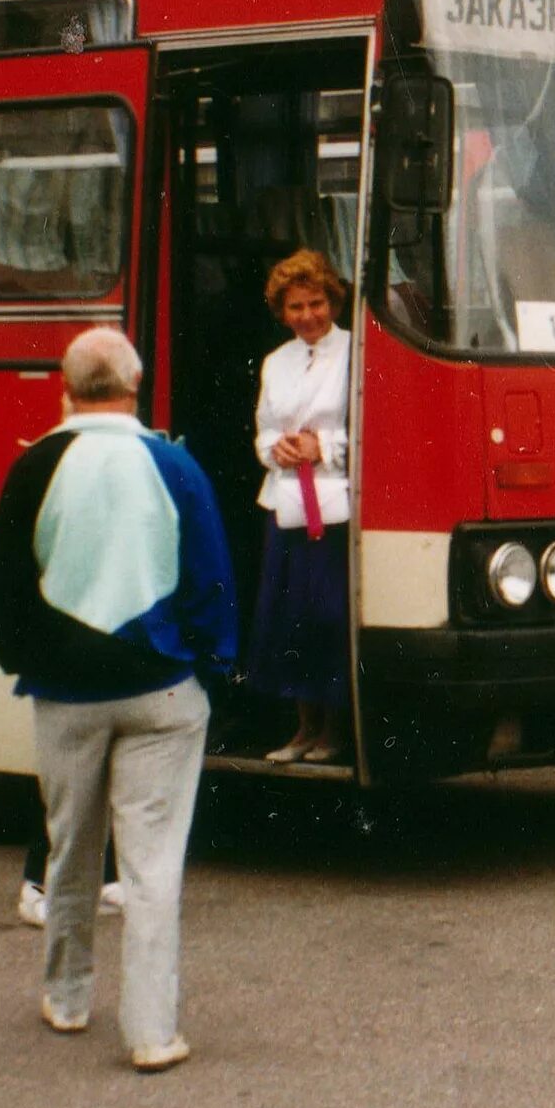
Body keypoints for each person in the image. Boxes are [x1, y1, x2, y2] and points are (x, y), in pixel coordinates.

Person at [0, 327, 237, 1073]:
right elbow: (210, 579)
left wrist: (28, 660)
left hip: (64, 693)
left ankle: (66, 996)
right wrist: (207, 665)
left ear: (66, 387)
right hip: (161, 687)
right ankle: (152, 1031)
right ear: (137, 382)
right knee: (152, 866)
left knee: (70, 847)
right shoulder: (173, 462)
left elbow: (4, 588)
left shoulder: (33, 465)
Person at [251, 249, 353, 763]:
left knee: (328, 618)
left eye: (315, 303)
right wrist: (279, 449)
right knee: (287, 618)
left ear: (332, 302)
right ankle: (303, 729)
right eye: (295, 307)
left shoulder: (357, 353)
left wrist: (325, 448)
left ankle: (333, 730)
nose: (307, 316)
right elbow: (265, 430)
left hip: (335, 508)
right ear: (281, 311)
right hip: (287, 503)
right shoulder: (276, 361)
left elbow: (371, 430)